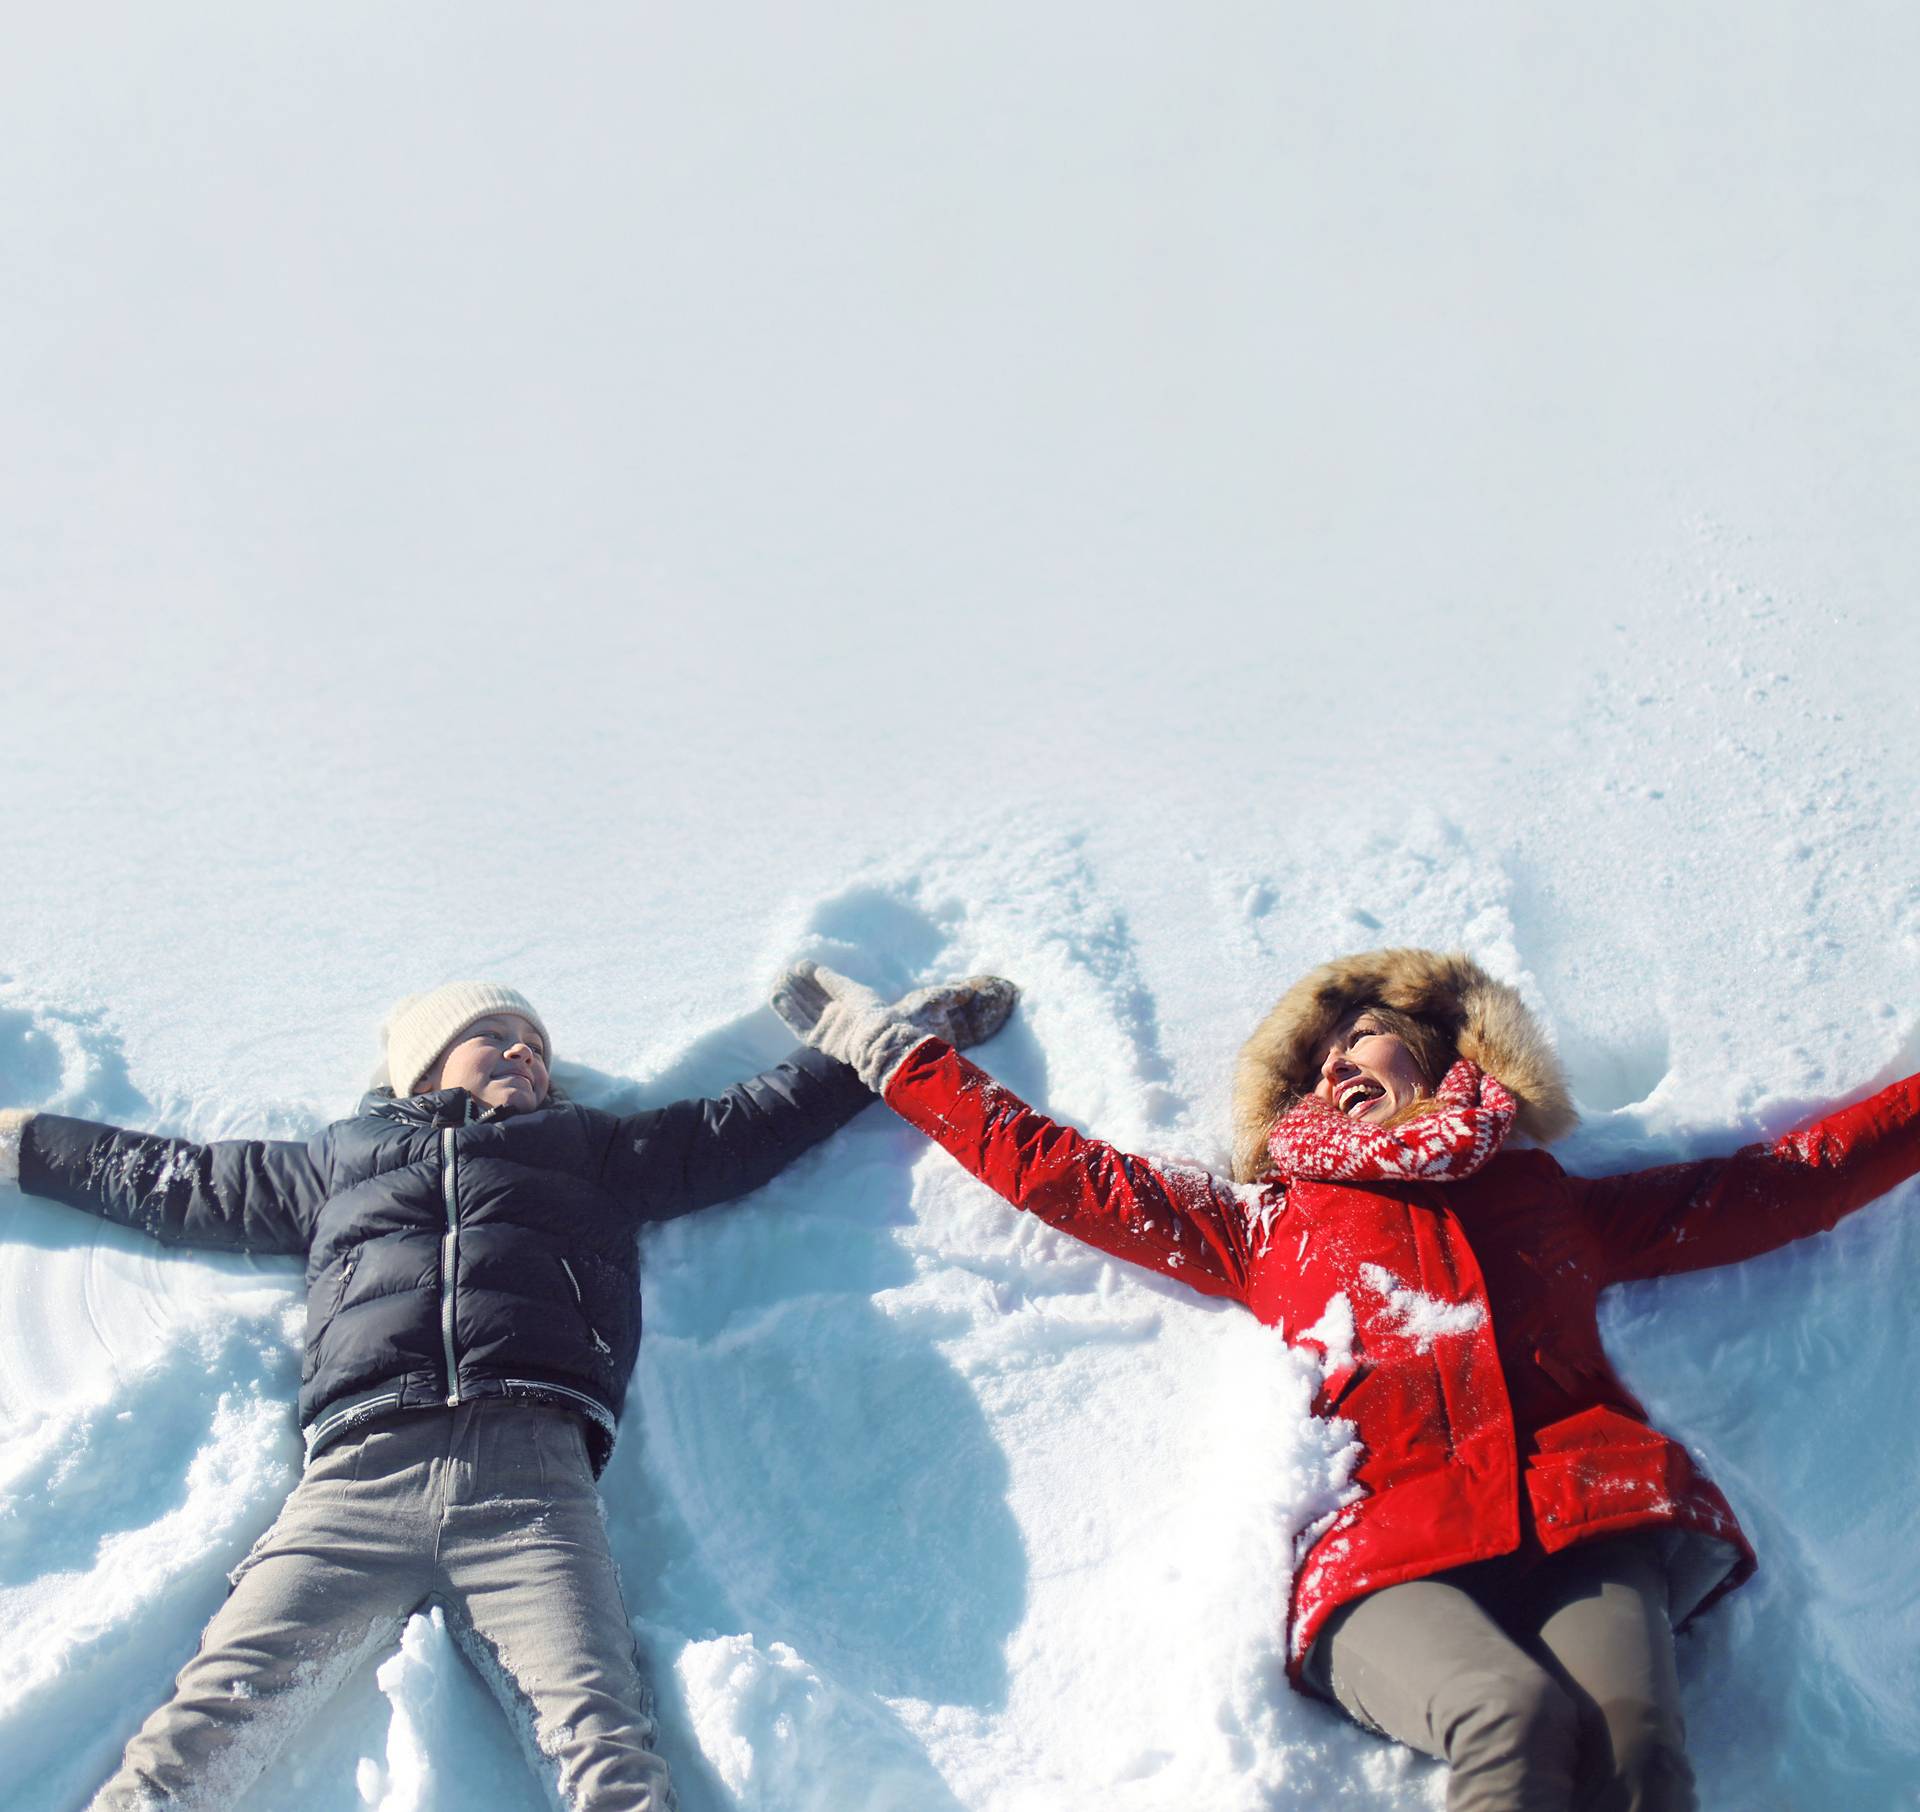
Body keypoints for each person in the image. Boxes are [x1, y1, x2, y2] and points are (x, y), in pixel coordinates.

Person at [771, 947, 1920, 1812]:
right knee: (1509, 1720)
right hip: (1390, 1555)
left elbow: (1790, 1184)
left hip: (1586, 1513)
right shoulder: (1268, 1223)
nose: (1337, 1061)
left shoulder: (1549, 1198)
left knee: (1637, 1747)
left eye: (1362, 1038)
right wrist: (894, 1055)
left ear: (1438, 1049)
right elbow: (1054, 1171)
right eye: (1317, 1062)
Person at [0, 973, 1013, 1812]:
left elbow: (744, 1127)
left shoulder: (593, 1151)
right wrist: (21, 1144)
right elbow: (174, 1178)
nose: (524, 1053)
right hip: (355, 1482)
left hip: (531, 1488)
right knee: (208, 1725)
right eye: (494, 1036)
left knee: (603, 1744)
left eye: (534, 1043)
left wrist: (894, 1042)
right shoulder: (336, 1165)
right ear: (426, 1062)